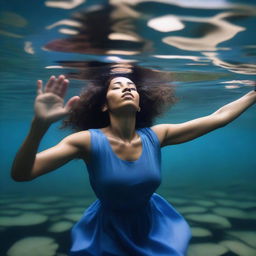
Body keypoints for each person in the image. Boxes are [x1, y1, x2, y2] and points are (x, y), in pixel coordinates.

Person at [11, 72, 256, 256]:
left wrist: (253, 92)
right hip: (106, 229)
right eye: (117, 87)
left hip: (154, 224)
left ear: (139, 103)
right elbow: (22, 174)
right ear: (104, 104)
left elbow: (219, 118)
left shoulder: (158, 135)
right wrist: (38, 126)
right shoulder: (84, 141)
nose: (127, 89)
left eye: (132, 87)